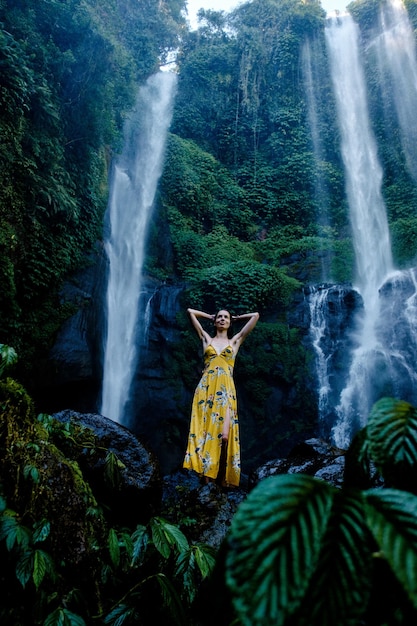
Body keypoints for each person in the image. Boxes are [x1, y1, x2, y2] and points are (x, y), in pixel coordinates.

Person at [183, 307, 259, 487]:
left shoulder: (234, 342)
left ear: (230, 322)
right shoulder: (206, 340)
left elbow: (255, 316)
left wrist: (238, 317)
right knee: (205, 433)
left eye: (226, 317)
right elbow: (190, 312)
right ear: (215, 321)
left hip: (225, 392)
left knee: (225, 435)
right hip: (205, 391)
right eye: (219, 317)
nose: (222, 319)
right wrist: (208, 315)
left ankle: (222, 477)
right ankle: (206, 478)